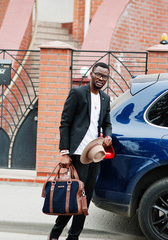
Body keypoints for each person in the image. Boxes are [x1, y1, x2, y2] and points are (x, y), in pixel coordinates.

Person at [48, 62, 112, 240]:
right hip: (77, 153)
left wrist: (108, 136)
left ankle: (73, 236)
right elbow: (65, 122)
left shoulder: (105, 99)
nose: (101, 79)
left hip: (94, 154)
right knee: (74, 195)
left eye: (104, 76)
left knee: (86, 197)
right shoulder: (77, 93)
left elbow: (107, 123)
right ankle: (55, 234)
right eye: (98, 75)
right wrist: (64, 152)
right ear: (91, 74)